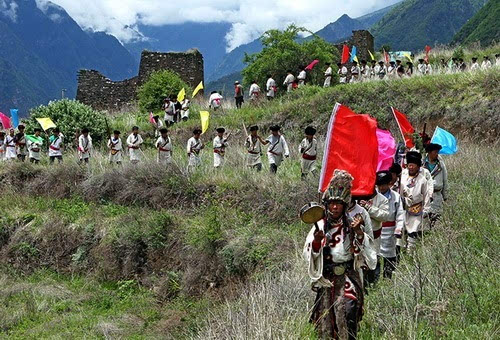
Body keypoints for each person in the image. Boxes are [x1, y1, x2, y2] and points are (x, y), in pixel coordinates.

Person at [304, 170, 376, 340]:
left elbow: (366, 250)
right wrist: (316, 243)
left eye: (338, 203)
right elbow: (308, 253)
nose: (335, 207)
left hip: (347, 277)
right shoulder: (320, 225)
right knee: (328, 321)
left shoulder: (351, 224)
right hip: (328, 279)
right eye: (332, 203)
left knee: (349, 310)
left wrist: (359, 232)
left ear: (344, 205)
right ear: (327, 204)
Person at [400, 151, 433, 249]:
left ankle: (411, 254)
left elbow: (426, 195)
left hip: (416, 208)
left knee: (413, 233)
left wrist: (426, 210)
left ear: (418, 167)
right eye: (409, 165)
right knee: (402, 231)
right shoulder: (402, 175)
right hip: (402, 207)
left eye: (413, 165)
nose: (411, 167)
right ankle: (403, 252)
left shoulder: (422, 179)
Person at [358, 186, 390, 286]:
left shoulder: (382, 199)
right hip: (359, 237)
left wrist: (369, 208)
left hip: (374, 238)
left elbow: (384, 216)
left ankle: (372, 285)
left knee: (373, 259)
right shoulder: (357, 196)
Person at [376, 171, 405, 279]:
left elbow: (400, 214)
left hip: (390, 230)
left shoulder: (396, 197)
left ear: (389, 184)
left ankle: (388, 277)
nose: (381, 188)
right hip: (377, 229)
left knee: (390, 255)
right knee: (375, 255)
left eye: (383, 185)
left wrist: (398, 228)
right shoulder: (374, 196)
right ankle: (375, 279)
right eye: (379, 185)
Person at [424, 143, 448, 229]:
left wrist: (445, 196)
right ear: (429, 152)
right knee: (425, 220)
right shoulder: (422, 164)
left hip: (437, 195)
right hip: (425, 196)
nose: (437, 154)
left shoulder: (440, 164)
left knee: (436, 219)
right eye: (435, 152)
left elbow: (445, 180)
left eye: (438, 152)